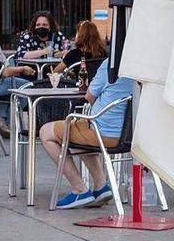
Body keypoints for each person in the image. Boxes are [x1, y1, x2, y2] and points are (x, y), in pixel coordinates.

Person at [39, 58, 133, 209]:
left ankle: (79, 189)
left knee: (46, 132)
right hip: (129, 135)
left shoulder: (110, 64)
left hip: (101, 132)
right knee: (76, 130)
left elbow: (89, 96)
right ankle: (101, 186)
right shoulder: (142, 67)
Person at [0, 10, 35, 139]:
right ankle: (10, 122)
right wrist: (22, 69)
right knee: (25, 86)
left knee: (11, 84)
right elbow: (4, 72)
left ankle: (2, 118)